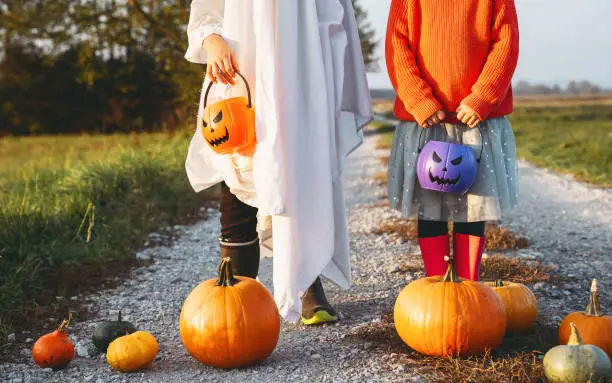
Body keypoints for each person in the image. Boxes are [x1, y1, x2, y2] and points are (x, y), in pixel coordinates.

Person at [184, 0, 372, 324]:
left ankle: (305, 282)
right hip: (243, 59)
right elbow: (207, 8)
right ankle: (236, 290)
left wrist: (326, 62)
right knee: (241, 163)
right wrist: (210, 38)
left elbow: (333, 12)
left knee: (301, 168)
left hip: (303, 67)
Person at [385, 0, 520, 280]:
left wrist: (482, 97)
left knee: (473, 209)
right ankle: (438, 285)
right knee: (430, 208)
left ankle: (467, 286)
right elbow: (397, 46)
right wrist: (419, 100)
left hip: (476, 122)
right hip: (426, 122)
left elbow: (506, 43)